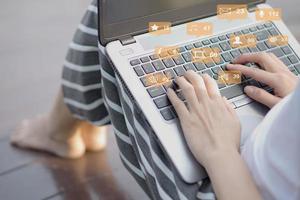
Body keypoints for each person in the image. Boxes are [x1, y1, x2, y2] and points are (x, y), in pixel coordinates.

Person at [11, 0, 300, 199]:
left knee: (124, 30)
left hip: (223, 183)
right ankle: (66, 125)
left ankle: (61, 129)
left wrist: (219, 151)